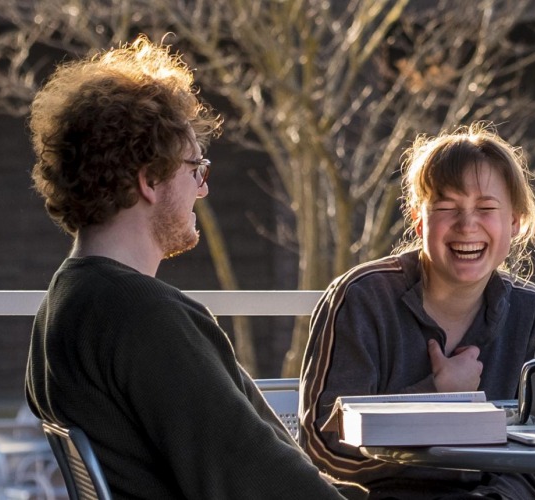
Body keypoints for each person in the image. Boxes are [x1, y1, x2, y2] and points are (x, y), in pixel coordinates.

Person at [24, 36, 363, 499]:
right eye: (195, 169)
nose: (202, 190)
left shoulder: (65, 303)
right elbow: (257, 480)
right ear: (149, 180)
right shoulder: (144, 318)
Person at [298, 124, 535, 499]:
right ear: (418, 218)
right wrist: (437, 398)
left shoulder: (532, 309)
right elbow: (324, 450)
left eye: (486, 208)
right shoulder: (361, 298)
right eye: (446, 207)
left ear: (516, 221)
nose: (467, 224)